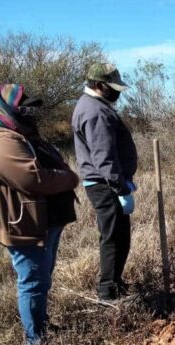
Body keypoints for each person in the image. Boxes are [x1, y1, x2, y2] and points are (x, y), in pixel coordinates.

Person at [0, 84, 79, 345]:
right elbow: (32, 179)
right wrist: (70, 178)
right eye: (23, 108)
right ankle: (35, 340)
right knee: (32, 280)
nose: (30, 113)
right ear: (2, 109)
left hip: (39, 220)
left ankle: (41, 325)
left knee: (42, 276)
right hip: (21, 222)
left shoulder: (17, 134)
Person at [72, 62, 138, 301]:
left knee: (120, 236)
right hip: (105, 185)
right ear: (99, 85)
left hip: (108, 183)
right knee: (113, 238)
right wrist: (120, 187)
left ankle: (115, 284)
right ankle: (108, 293)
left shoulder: (96, 105)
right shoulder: (95, 111)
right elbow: (103, 156)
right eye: (113, 87)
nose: (118, 92)